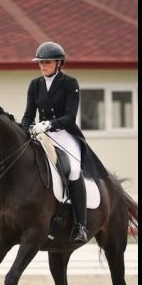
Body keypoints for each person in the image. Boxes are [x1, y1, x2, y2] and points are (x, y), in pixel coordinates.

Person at [21, 41, 109, 244]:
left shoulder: (70, 83)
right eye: (41, 62)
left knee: (74, 170)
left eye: (47, 62)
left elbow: (70, 117)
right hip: (42, 136)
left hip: (65, 135)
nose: (43, 66)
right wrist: (27, 128)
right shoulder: (35, 85)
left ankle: (80, 225)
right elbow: (27, 115)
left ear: (59, 63)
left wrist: (48, 124)